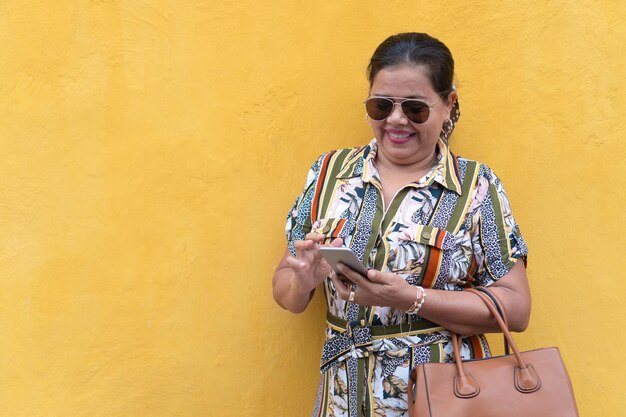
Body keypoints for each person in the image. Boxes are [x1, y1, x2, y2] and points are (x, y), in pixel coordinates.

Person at [272, 32, 530, 417]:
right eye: (381, 105)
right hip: (342, 401)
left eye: (415, 108)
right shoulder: (328, 173)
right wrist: (302, 280)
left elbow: (517, 308)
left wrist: (410, 298)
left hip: (446, 402)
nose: (396, 119)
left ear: (448, 105)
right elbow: (287, 293)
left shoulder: (476, 186)